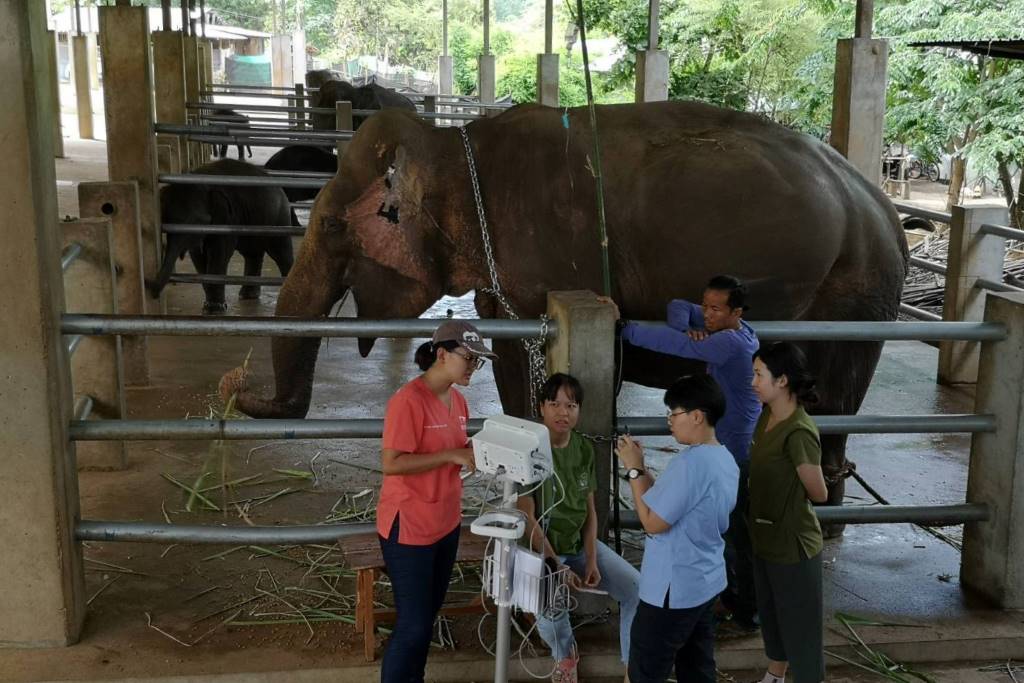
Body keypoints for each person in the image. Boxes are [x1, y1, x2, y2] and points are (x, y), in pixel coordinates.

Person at [603, 275, 761, 632]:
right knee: (722, 530)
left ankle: (746, 611)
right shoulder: (731, 328)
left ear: (736, 312)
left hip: (733, 451)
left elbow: (677, 346)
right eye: (705, 306)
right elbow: (678, 307)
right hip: (722, 449)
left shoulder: (732, 343)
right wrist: (689, 326)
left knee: (736, 535)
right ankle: (725, 598)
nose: (706, 314)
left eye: (715, 309)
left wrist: (625, 329)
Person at [376, 320, 496, 683]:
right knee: (412, 626)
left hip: (445, 522)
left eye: (478, 361)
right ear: (441, 354)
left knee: (426, 618)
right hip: (409, 525)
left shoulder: (458, 401)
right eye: (469, 358)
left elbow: (456, 450)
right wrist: (451, 456)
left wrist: (473, 452)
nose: (473, 367)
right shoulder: (408, 401)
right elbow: (392, 463)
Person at [517, 373, 641, 683]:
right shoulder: (529, 449)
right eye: (555, 404)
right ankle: (566, 658)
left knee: (637, 589)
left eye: (571, 405)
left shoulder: (584, 448)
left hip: (576, 546)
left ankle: (634, 669)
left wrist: (593, 560)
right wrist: (556, 565)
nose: (563, 413)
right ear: (541, 408)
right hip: (543, 551)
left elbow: (589, 512)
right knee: (552, 607)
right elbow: (527, 516)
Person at [615, 374, 739, 683]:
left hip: (673, 590)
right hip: (705, 582)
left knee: (644, 670)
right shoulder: (724, 458)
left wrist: (632, 469)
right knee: (697, 666)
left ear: (697, 416)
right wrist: (640, 466)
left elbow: (653, 522)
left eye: (674, 412)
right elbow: (666, 502)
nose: (670, 420)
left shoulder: (691, 463)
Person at [748, 342, 828, 683]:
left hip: (792, 543)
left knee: (801, 627)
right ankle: (775, 675)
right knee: (771, 614)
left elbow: (819, 492)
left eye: (758, 374)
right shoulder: (767, 415)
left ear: (782, 381)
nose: (752, 381)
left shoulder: (798, 431)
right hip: (764, 535)